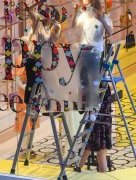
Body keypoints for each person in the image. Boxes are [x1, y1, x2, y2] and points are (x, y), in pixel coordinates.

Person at [14, 1, 62, 156]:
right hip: (34, 61)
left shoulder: (50, 28)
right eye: (48, 14)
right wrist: (38, 3)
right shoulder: (37, 23)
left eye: (51, 16)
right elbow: (29, 10)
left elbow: (53, 41)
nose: (48, 17)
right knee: (29, 98)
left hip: (44, 62)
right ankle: (24, 146)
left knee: (42, 93)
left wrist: (57, 27)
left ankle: (44, 103)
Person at [72, 0, 113, 172]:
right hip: (86, 60)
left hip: (97, 60)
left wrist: (102, 18)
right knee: (92, 119)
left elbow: (110, 32)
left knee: (95, 124)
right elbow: (74, 27)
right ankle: (90, 110)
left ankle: (92, 111)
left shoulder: (105, 20)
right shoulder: (84, 17)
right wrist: (75, 11)